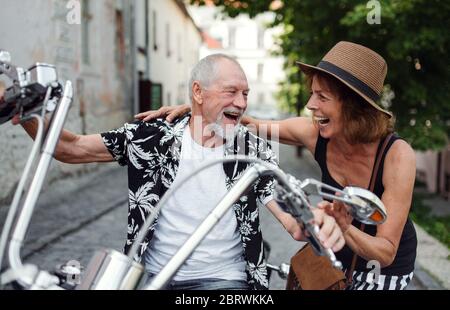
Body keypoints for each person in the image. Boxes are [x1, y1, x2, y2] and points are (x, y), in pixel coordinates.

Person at [4, 53, 344, 290]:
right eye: (231, 92)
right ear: (198, 92)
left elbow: (289, 219)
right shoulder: (150, 137)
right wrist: (27, 113)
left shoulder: (251, 148)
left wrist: (313, 224)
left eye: (245, 94)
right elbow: (70, 147)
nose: (241, 103)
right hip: (153, 275)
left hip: (224, 279)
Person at [137, 42, 418, 290]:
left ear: (353, 106)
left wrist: (341, 226)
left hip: (382, 272)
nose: (310, 104)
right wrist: (197, 108)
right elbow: (249, 122)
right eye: (312, 94)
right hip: (334, 261)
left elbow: (386, 252)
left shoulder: (396, 155)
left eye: (322, 97)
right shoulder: (313, 133)